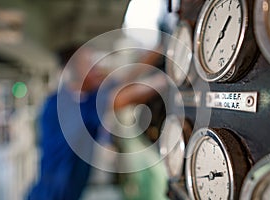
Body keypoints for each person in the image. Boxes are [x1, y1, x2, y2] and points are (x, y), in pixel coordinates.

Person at [26, 44, 168, 200]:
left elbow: (125, 79)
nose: (97, 68)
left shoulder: (86, 98)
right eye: (88, 63)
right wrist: (168, 79)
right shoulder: (60, 106)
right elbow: (120, 98)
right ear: (72, 72)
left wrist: (160, 49)